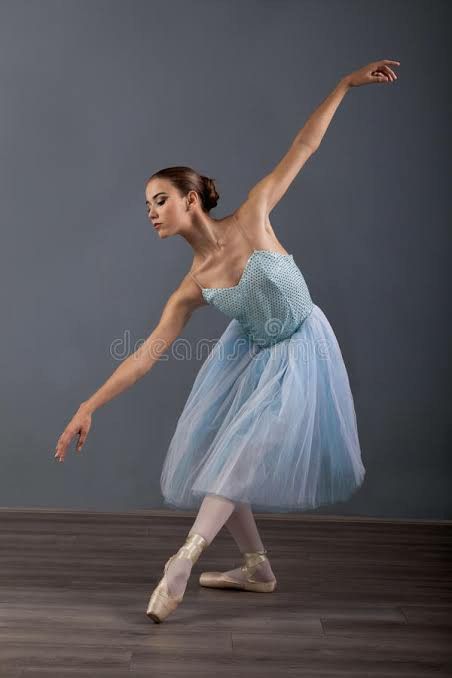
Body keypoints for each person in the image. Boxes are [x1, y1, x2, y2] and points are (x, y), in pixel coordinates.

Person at [53, 59, 400, 623]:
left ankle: (183, 560)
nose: (150, 213)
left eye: (158, 199)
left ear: (192, 198)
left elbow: (306, 145)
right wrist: (87, 405)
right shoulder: (191, 287)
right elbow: (144, 356)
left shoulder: (256, 212)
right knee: (225, 456)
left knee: (235, 457)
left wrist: (343, 86)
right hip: (253, 355)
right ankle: (257, 568)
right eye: (146, 206)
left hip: (302, 349)